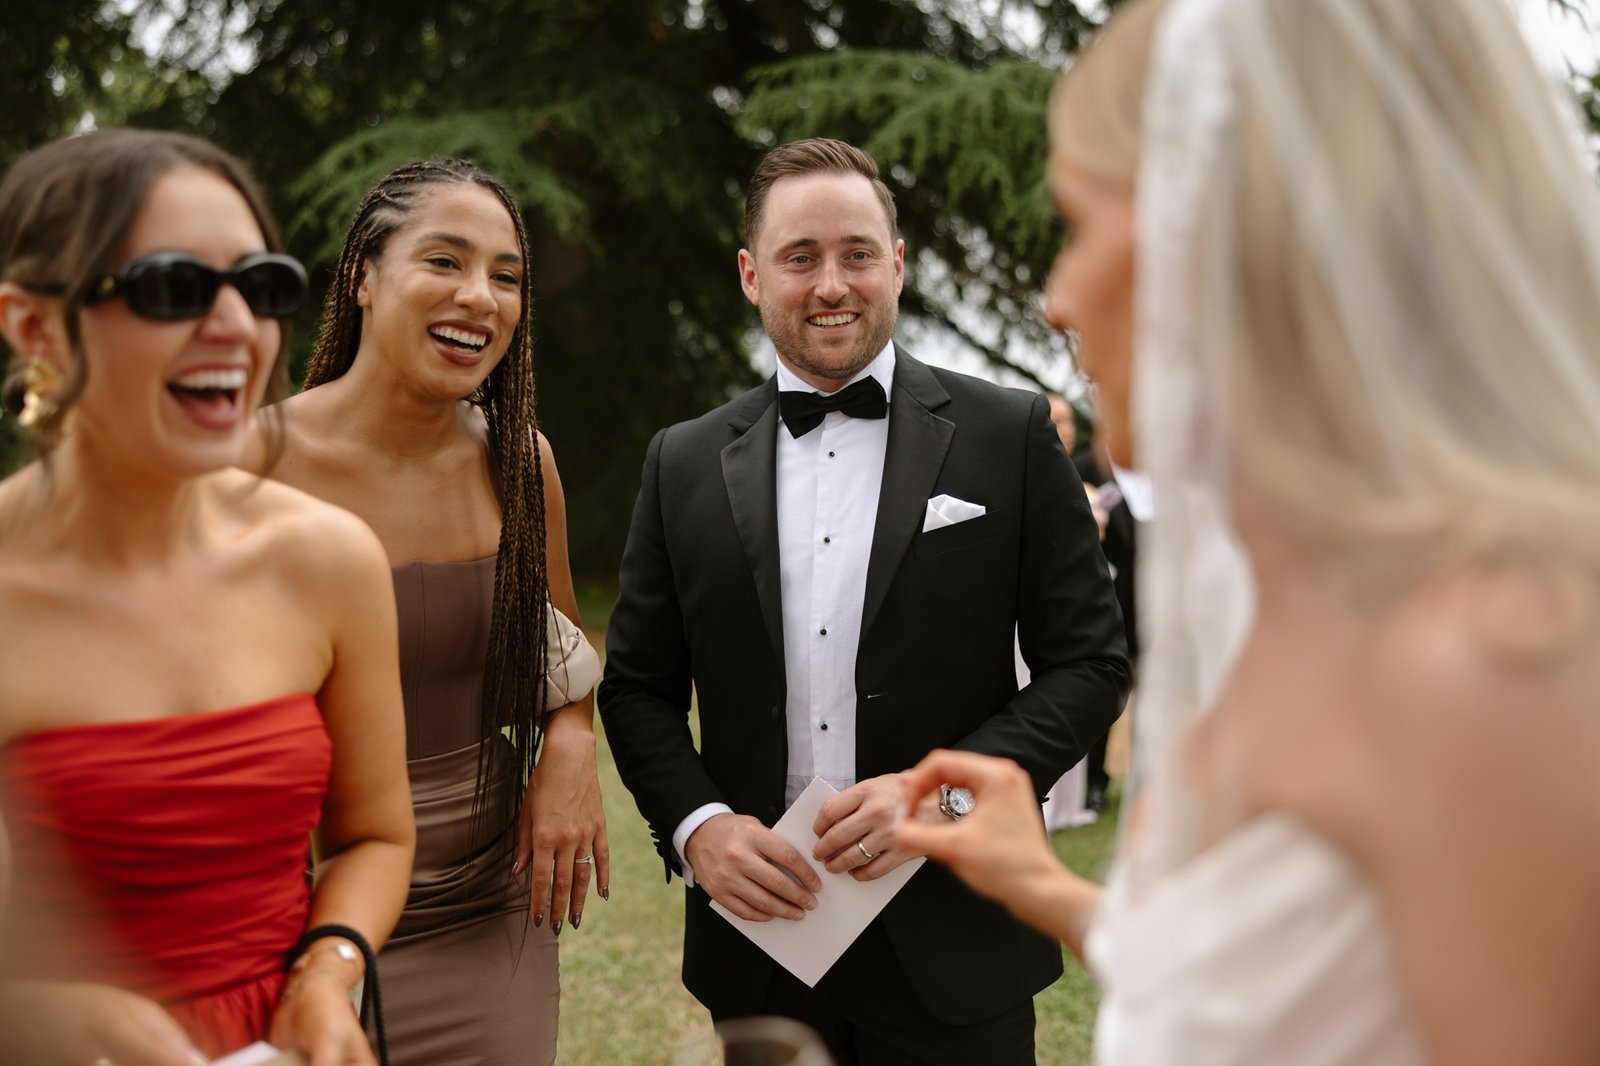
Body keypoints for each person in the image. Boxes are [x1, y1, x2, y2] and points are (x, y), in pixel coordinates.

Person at [897, 0, 1600, 1063]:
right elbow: (1280, 988)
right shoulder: (1271, 595)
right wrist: (1040, 882)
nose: (1055, 300)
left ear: (1238, 248)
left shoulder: (1483, 664)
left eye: (1080, 225)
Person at [599, 136, 1130, 1063]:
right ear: (751, 275)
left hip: (960, 938)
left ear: (898, 264)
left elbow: (1088, 665)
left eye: (856, 254)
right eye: (799, 258)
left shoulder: (1007, 434)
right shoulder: (681, 461)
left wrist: (941, 799)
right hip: (762, 943)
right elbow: (638, 687)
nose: (831, 285)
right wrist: (699, 831)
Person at [0, 129, 415, 1064]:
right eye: (174, 287)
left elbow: (375, 836)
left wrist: (326, 974)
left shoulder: (326, 558)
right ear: (33, 326)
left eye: (259, 285)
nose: (236, 325)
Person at [263, 157, 605, 1066]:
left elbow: (564, 660)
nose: (480, 296)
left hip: (484, 908)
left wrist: (572, 742)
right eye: (445, 261)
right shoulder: (247, 467)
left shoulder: (519, 465)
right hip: (291, 914)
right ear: (364, 277)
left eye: (506, 275)